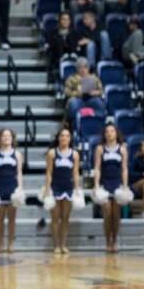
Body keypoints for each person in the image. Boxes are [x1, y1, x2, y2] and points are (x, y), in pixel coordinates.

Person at [45, 127, 79, 255]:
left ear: (70, 139)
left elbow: (75, 173)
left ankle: (64, 245)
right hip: (55, 188)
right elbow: (49, 173)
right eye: (62, 135)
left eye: (67, 136)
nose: (64, 138)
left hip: (68, 188)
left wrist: (77, 189)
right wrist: (47, 189)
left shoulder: (74, 154)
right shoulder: (52, 153)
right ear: (58, 138)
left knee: (65, 218)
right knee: (55, 218)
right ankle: (56, 245)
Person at [95, 123, 128, 253]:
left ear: (116, 133)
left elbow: (124, 169)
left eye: (112, 131)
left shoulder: (122, 149)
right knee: (107, 214)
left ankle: (114, 241)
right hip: (105, 183)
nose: (109, 134)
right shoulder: (100, 149)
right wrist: (96, 185)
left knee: (116, 215)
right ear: (104, 135)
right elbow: (97, 168)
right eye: (107, 132)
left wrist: (125, 186)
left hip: (117, 184)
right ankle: (108, 242)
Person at [0, 128, 23, 253]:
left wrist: (20, 188)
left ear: (12, 138)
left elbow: (19, 173)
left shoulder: (17, 154)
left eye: (9, 136)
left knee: (12, 218)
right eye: (4, 135)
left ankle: (11, 243)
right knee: (0, 218)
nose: (6, 138)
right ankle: (1, 243)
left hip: (12, 187)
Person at [63, 57, 104, 125]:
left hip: (91, 98)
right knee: (74, 105)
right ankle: (74, 124)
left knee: (99, 103)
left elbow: (101, 91)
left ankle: (99, 123)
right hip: (77, 98)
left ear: (88, 68)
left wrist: (94, 93)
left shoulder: (94, 78)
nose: (83, 70)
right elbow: (67, 92)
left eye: (85, 67)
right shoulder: (71, 78)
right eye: (81, 68)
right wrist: (77, 93)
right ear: (77, 69)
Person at [47, 11, 79, 77]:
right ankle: (62, 57)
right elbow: (51, 46)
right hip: (58, 55)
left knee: (70, 36)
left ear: (70, 21)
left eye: (67, 19)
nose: (66, 21)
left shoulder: (74, 32)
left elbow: (78, 43)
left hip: (71, 53)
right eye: (63, 19)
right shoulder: (54, 33)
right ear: (60, 21)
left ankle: (74, 55)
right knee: (59, 38)